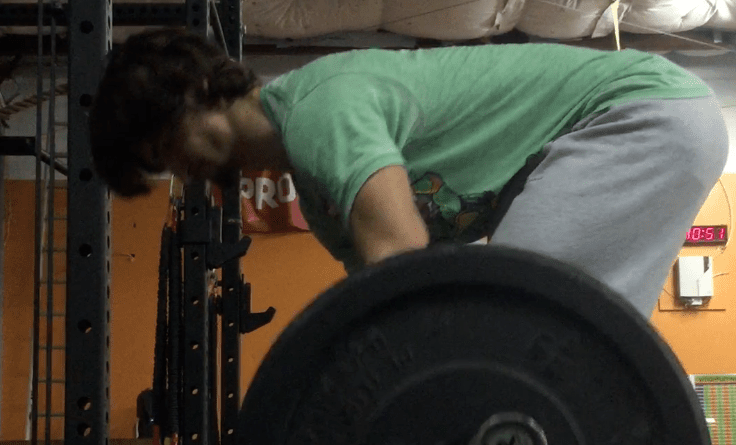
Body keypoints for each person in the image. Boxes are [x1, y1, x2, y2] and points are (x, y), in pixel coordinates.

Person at [89, 27, 729, 317]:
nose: (179, 171)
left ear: (195, 87)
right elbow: (389, 302)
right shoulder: (319, 192)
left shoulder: (319, 111)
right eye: (159, 167)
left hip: (636, 115)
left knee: (518, 328)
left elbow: (400, 255)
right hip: (656, 124)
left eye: (166, 143)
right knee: (558, 349)